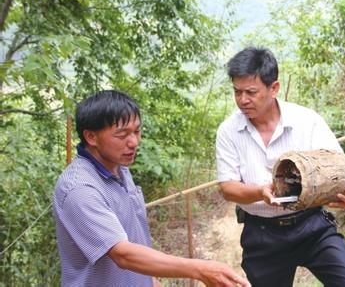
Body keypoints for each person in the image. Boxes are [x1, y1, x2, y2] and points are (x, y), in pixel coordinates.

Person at [53, 90, 250, 287]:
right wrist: (201, 269)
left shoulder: (119, 168)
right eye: (122, 135)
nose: (134, 142)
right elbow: (123, 254)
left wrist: (151, 281)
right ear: (91, 137)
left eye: (136, 132)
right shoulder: (79, 189)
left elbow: (132, 235)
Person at [215, 47, 345, 287]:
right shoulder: (228, 131)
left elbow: (339, 171)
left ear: (273, 88)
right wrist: (260, 192)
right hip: (262, 234)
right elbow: (228, 188)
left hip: (312, 226)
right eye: (237, 92)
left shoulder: (307, 121)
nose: (242, 100)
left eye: (251, 92)